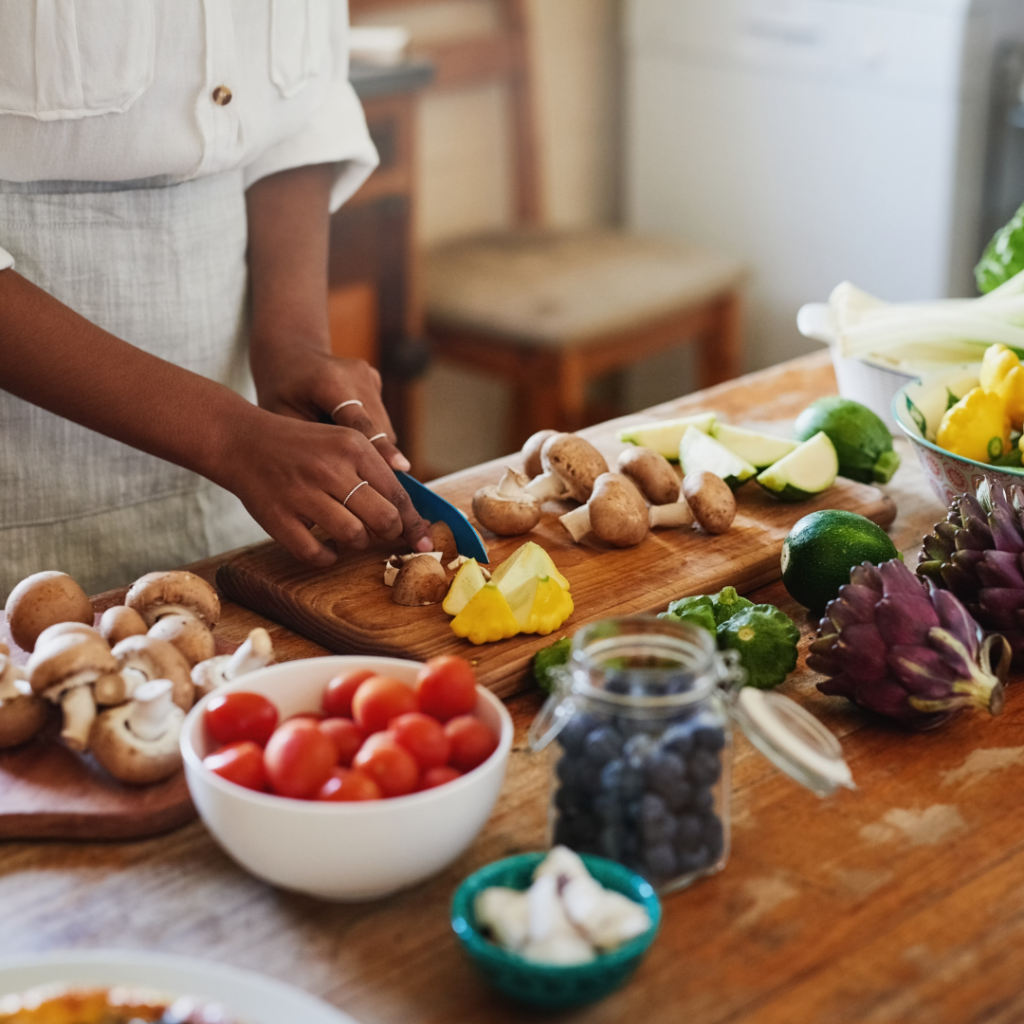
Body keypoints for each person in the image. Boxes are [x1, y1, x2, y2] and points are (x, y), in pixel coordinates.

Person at [0, 1, 433, 602]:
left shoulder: (251, 447)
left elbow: (301, 108)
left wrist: (292, 343)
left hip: (241, 462)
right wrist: (228, 436)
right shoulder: (235, 439)